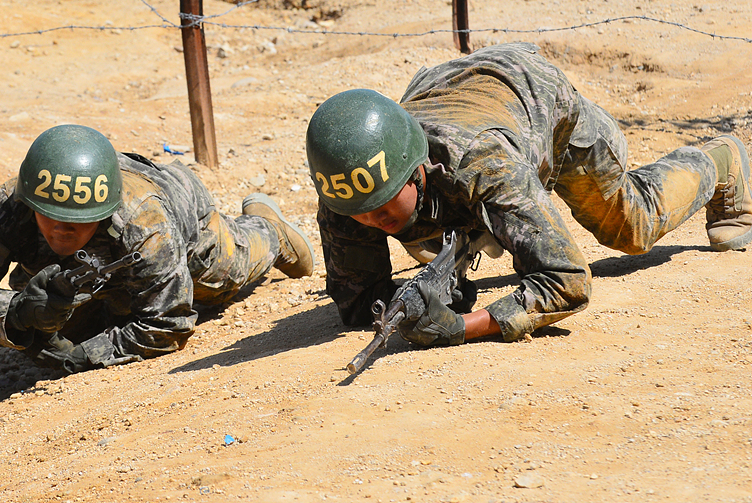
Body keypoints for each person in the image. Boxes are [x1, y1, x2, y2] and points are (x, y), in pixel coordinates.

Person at [305, 42, 751, 348]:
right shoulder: (349, 185)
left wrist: (461, 326)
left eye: (384, 205)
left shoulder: (484, 163)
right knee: (433, 235)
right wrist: (419, 300)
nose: (373, 218)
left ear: (417, 170)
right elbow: (361, 302)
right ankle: (467, 231)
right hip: (451, 91)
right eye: (361, 213)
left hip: (543, 104)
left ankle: (719, 162)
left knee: (629, 227)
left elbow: (567, 280)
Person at [0, 124, 314, 373]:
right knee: (51, 314)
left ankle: (269, 227)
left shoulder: (145, 223)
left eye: (77, 221)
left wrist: (86, 356)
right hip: (99, 263)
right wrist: (18, 312)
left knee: (224, 277)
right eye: (49, 217)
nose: (61, 231)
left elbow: (170, 323)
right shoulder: (13, 203)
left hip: (184, 222)